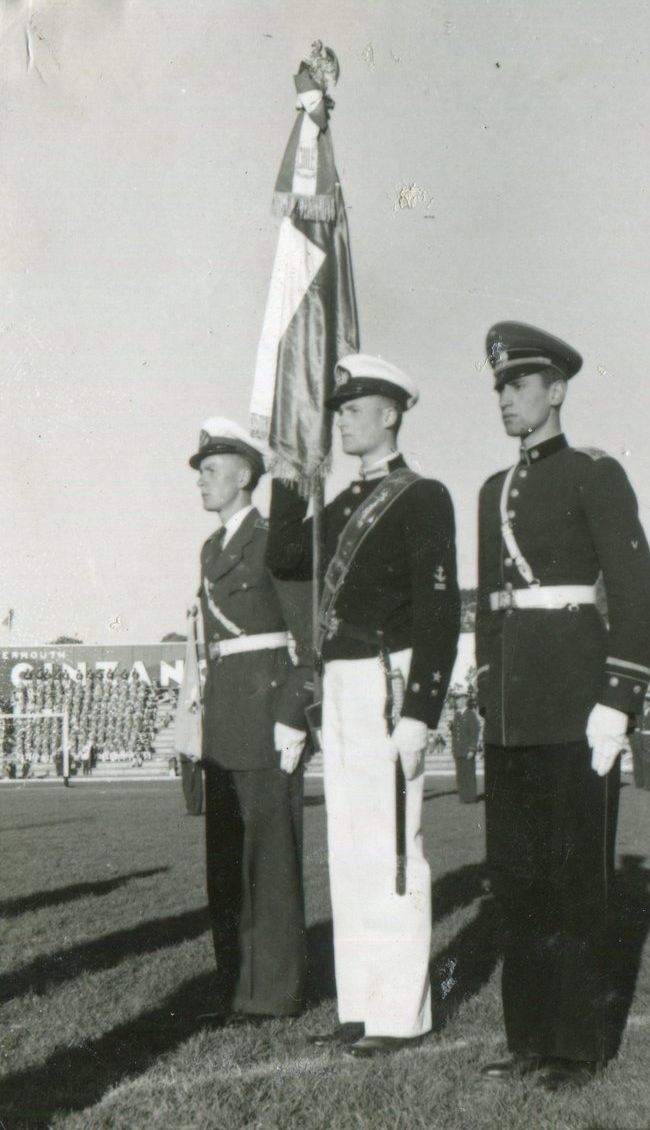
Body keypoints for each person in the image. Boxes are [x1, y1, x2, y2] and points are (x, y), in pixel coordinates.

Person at [475, 322, 650, 1091]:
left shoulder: (593, 472)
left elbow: (638, 590)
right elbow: (489, 609)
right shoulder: (491, 490)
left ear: (554, 391)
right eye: (498, 388)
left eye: (517, 385)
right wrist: (489, 695)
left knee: (574, 879)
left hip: (578, 704)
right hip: (515, 712)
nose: (505, 400)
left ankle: (576, 1046)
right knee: (518, 884)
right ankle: (527, 1039)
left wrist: (616, 697)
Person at [267, 354, 461, 1058]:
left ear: (390, 413)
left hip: (387, 680)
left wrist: (420, 711)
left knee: (391, 850)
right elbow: (285, 556)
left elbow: (440, 611)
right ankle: (362, 1002)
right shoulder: (343, 502)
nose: (341, 418)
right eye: (336, 408)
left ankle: (399, 1013)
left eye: (352, 409)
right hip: (341, 686)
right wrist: (292, 469)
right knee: (348, 848)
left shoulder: (421, 495)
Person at [191, 417, 312, 1022]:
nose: (202, 483)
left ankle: (274, 992)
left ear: (244, 475)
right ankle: (231, 984)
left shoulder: (272, 541)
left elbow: (308, 638)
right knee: (226, 860)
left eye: (211, 471)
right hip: (224, 717)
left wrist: (293, 715)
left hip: (266, 716)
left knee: (269, 861)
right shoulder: (212, 548)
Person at [449, 691, 480, 803]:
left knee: (469, 774)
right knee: (460, 775)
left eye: (460, 699)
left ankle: (471, 797)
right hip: (458, 750)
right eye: (457, 699)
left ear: (465, 700)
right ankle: (463, 797)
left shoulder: (470, 714)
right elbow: (455, 734)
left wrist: (472, 749)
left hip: (467, 750)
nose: (458, 701)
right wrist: (453, 748)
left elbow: (474, 732)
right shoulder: (457, 715)